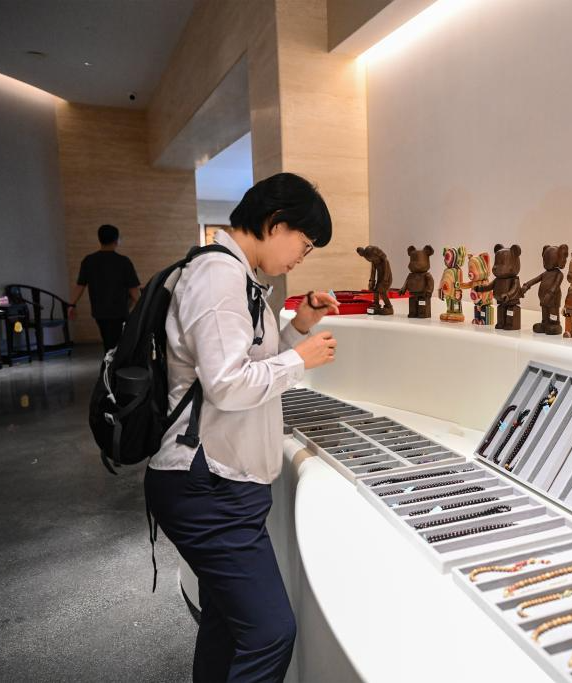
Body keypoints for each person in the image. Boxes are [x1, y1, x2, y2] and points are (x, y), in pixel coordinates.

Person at [144, 173, 340, 682]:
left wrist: (298, 327)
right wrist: (300, 359)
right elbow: (228, 385)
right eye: (304, 243)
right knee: (270, 634)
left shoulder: (235, 275)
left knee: (226, 625)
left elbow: (242, 362)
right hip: (207, 483)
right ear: (276, 224)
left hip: (219, 479)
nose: (302, 257)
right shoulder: (218, 276)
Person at [69, 224, 141, 351]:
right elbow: (133, 289)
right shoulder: (123, 261)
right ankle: (111, 362)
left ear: (100, 239)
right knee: (116, 343)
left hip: (99, 311)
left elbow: (80, 286)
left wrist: (71, 305)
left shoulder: (89, 261)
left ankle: (110, 361)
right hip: (119, 311)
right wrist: (143, 305)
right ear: (116, 240)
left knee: (108, 341)